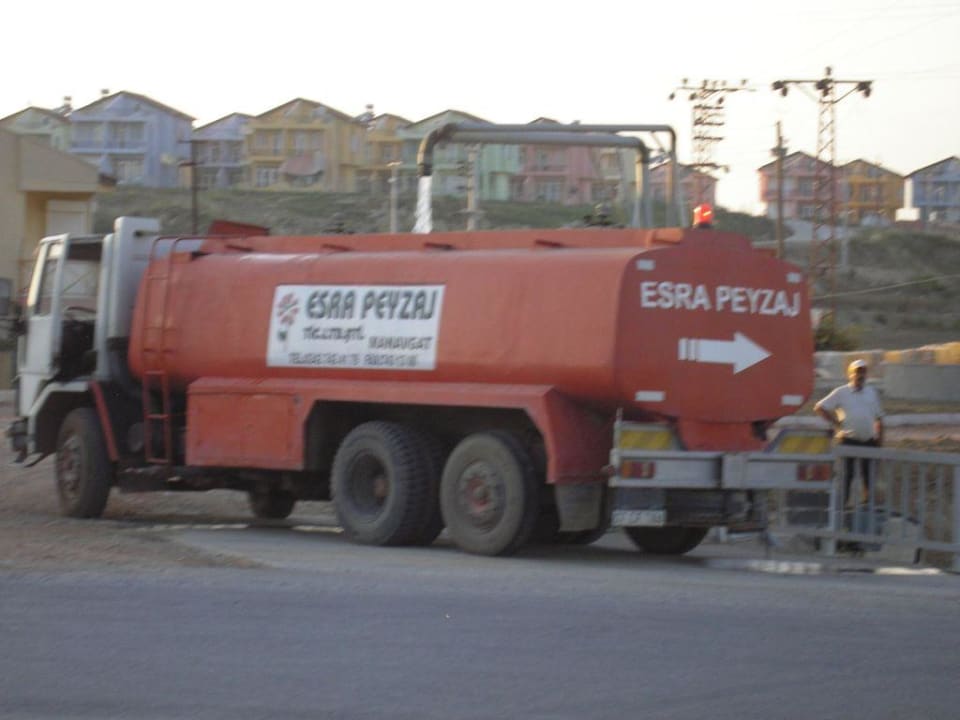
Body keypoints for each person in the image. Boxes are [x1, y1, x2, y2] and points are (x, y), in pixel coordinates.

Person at [814, 359, 884, 504]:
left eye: (863, 372)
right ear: (850, 374)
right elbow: (819, 407)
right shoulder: (841, 392)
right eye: (857, 372)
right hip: (848, 440)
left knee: (869, 476)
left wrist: (880, 440)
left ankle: (867, 507)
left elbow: (879, 418)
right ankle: (842, 507)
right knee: (846, 476)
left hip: (868, 441)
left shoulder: (871, 392)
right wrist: (835, 423)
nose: (860, 375)